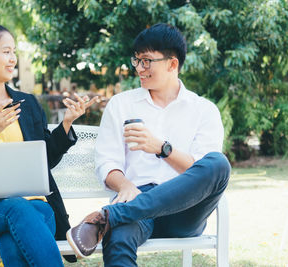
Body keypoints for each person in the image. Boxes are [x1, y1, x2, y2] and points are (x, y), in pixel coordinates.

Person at [66, 23, 231, 266]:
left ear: (172, 64)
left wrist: (161, 148)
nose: (139, 69)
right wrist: (124, 185)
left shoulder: (204, 110)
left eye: (146, 61)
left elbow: (201, 173)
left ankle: (108, 216)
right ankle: (113, 218)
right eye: (137, 61)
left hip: (184, 212)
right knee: (119, 236)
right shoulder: (121, 104)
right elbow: (106, 163)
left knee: (218, 163)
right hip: (136, 199)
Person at [0, 23, 96, 266]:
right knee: (16, 208)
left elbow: (46, 162)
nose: (13, 59)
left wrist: (66, 123)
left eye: (14, 52)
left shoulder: (28, 103)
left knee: (12, 242)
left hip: (37, 207)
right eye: (6, 52)